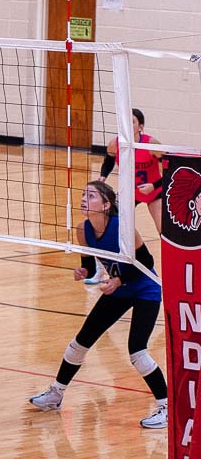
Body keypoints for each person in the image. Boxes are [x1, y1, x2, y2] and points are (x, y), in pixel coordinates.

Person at [29, 180, 167, 429]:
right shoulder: (83, 230)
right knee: (80, 343)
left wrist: (119, 280)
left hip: (145, 289)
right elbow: (91, 265)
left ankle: (165, 406)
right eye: (83, 195)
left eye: (91, 196)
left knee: (137, 351)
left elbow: (146, 261)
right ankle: (56, 394)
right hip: (118, 290)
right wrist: (84, 270)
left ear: (105, 205)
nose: (84, 199)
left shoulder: (123, 228)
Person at [88, 108, 164, 285]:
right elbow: (108, 160)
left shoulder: (151, 144)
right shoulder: (115, 144)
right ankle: (100, 269)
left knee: (163, 231)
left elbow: (169, 170)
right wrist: (102, 176)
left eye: (132, 122)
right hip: (130, 193)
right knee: (108, 225)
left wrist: (153, 185)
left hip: (153, 192)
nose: (128, 126)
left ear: (140, 127)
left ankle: (172, 269)